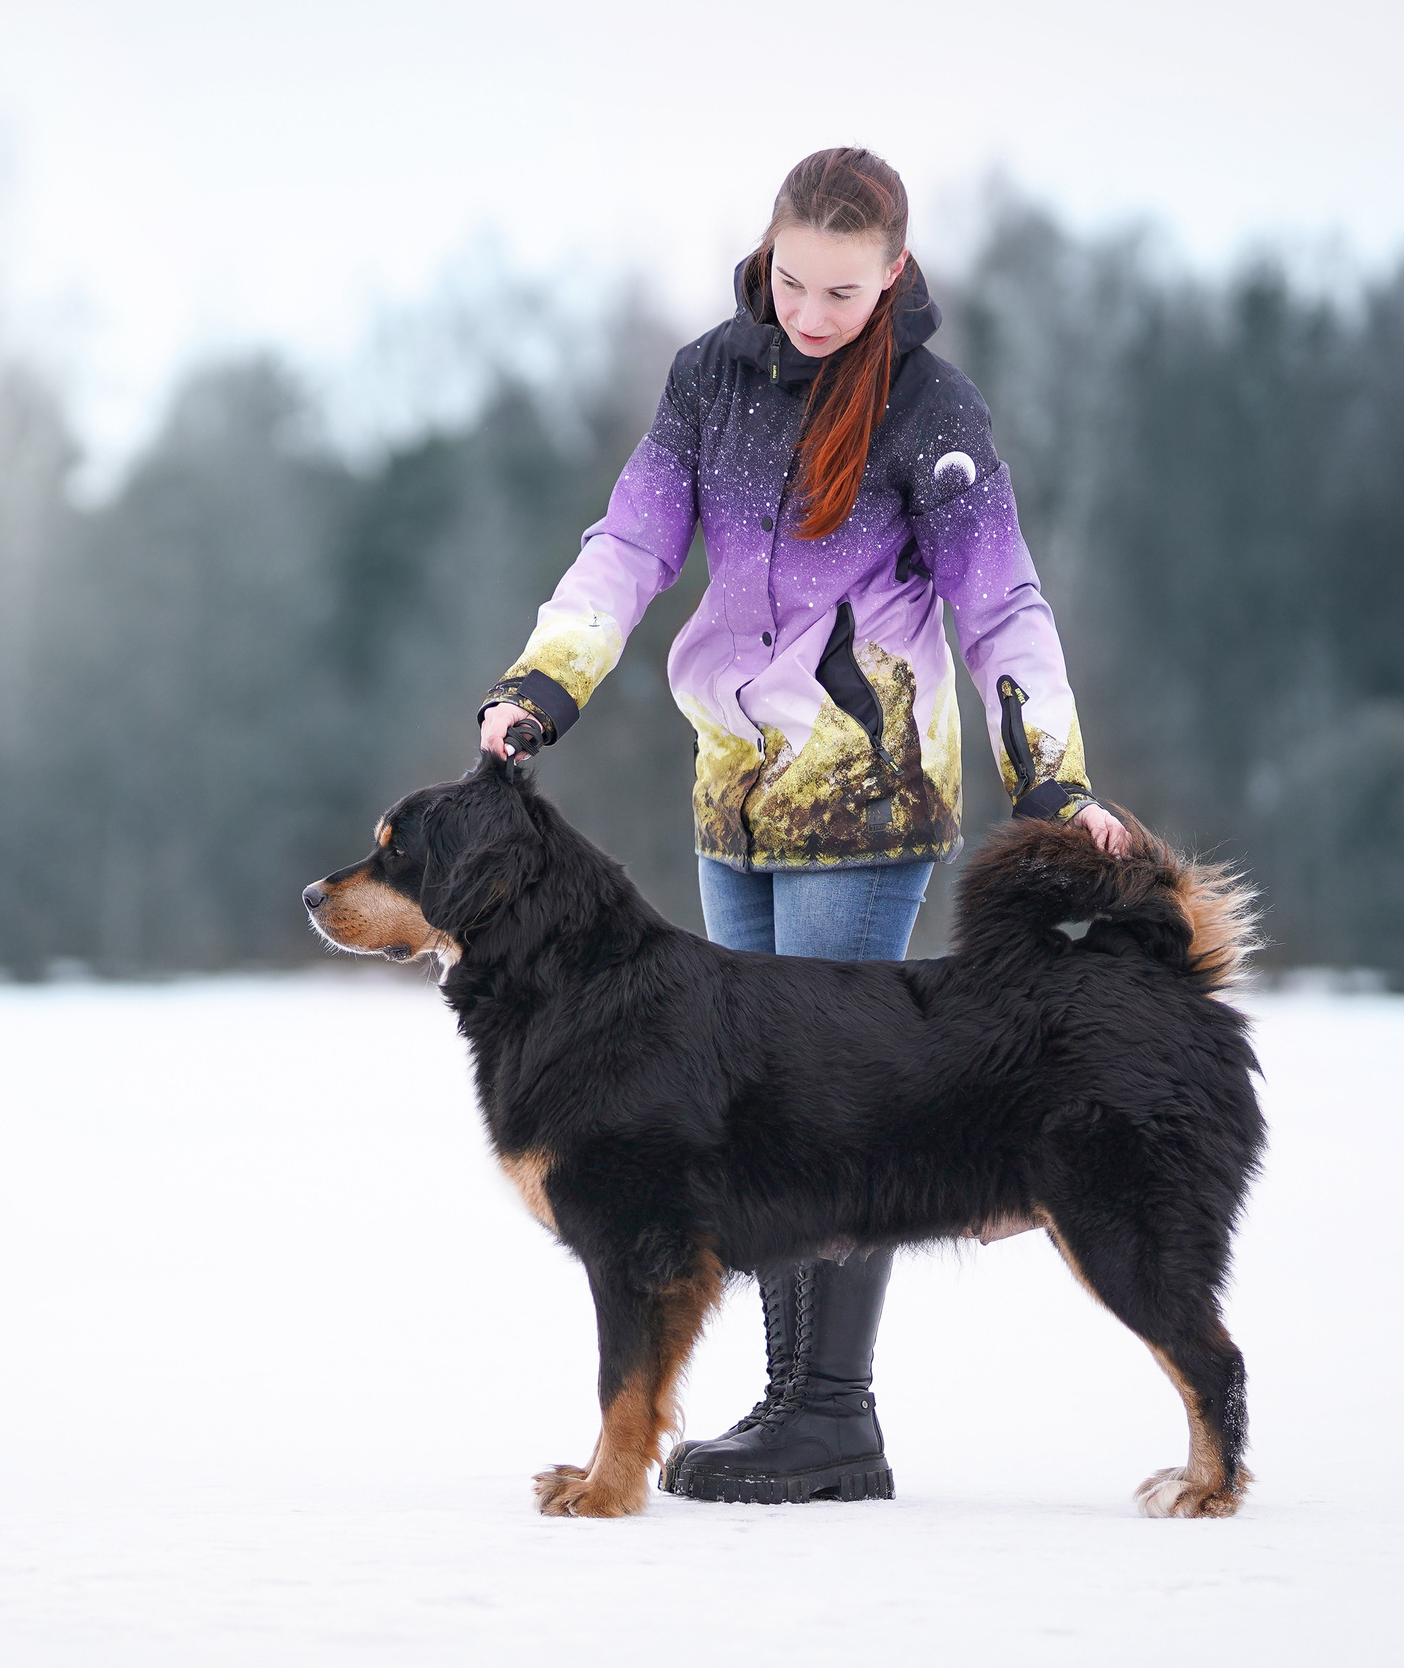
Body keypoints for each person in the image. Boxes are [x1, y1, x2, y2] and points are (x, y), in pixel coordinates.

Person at [475, 146, 1133, 1505]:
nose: (812, 310)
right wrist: (550, 676)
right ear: (763, 253)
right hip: (735, 794)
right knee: (746, 1106)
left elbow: (1001, 603)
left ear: (894, 272)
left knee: (840, 1099)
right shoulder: (711, 378)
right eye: (792, 279)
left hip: (872, 796)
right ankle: (790, 1406)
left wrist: (1052, 779)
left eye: (843, 287)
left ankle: (832, 1412)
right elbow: (632, 543)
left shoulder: (928, 411)